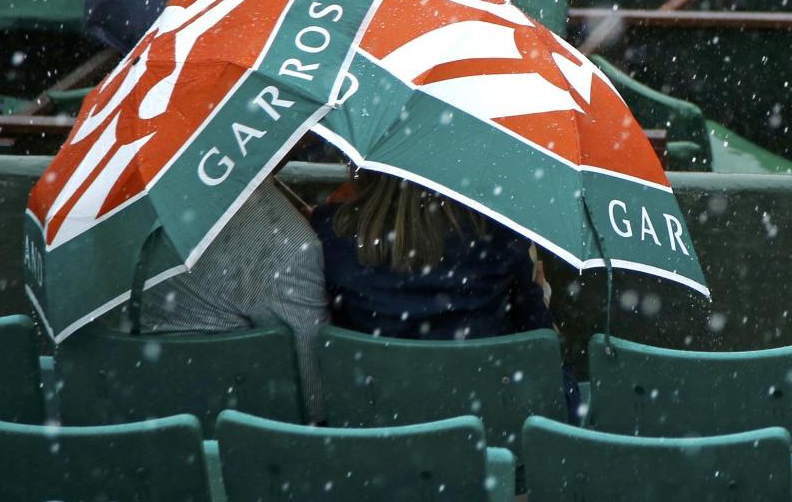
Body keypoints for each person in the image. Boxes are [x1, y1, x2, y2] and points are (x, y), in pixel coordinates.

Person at [132, 177, 329, 417]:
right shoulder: (291, 248)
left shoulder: (106, 212)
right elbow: (313, 399)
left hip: (131, 419)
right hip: (243, 437)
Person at [309, 169, 556, 341]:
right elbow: (545, 363)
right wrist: (539, 301)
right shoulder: (502, 237)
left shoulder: (333, 231)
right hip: (487, 411)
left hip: (370, 409)